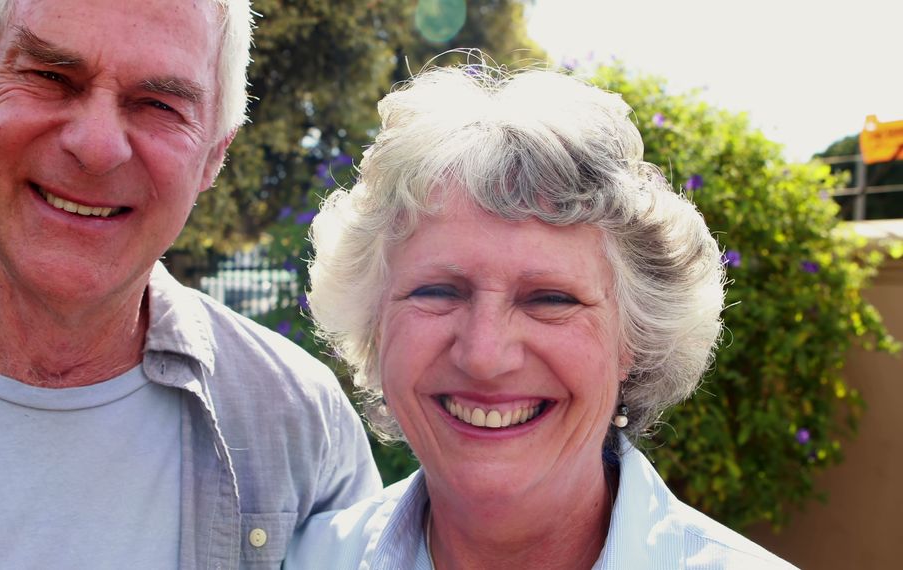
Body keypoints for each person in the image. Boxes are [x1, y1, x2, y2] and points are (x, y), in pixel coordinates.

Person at [0, 0, 380, 567]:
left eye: (159, 104)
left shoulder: (302, 426)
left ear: (215, 153)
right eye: (50, 77)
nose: (95, 147)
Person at [285, 65, 796, 569]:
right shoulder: (305, 561)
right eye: (439, 292)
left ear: (633, 340)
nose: (485, 355)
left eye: (550, 299)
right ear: (374, 326)